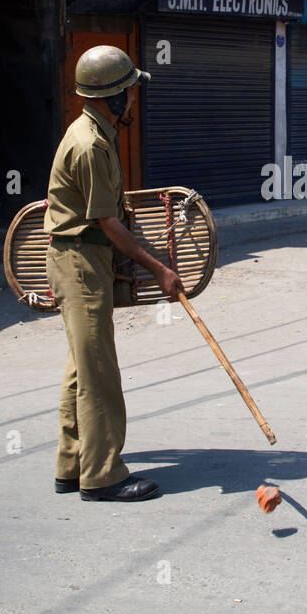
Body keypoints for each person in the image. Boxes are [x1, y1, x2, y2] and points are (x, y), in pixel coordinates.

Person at [46, 45, 183, 502]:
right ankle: (102, 476)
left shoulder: (94, 132)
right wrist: (160, 268)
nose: (135, 98)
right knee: (99, 371)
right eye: (130, 90)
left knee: (80, 367)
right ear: (115, 96)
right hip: (81, 261)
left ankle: (71, 466)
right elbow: (108, 223)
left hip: (84, 258)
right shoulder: (91, 145)